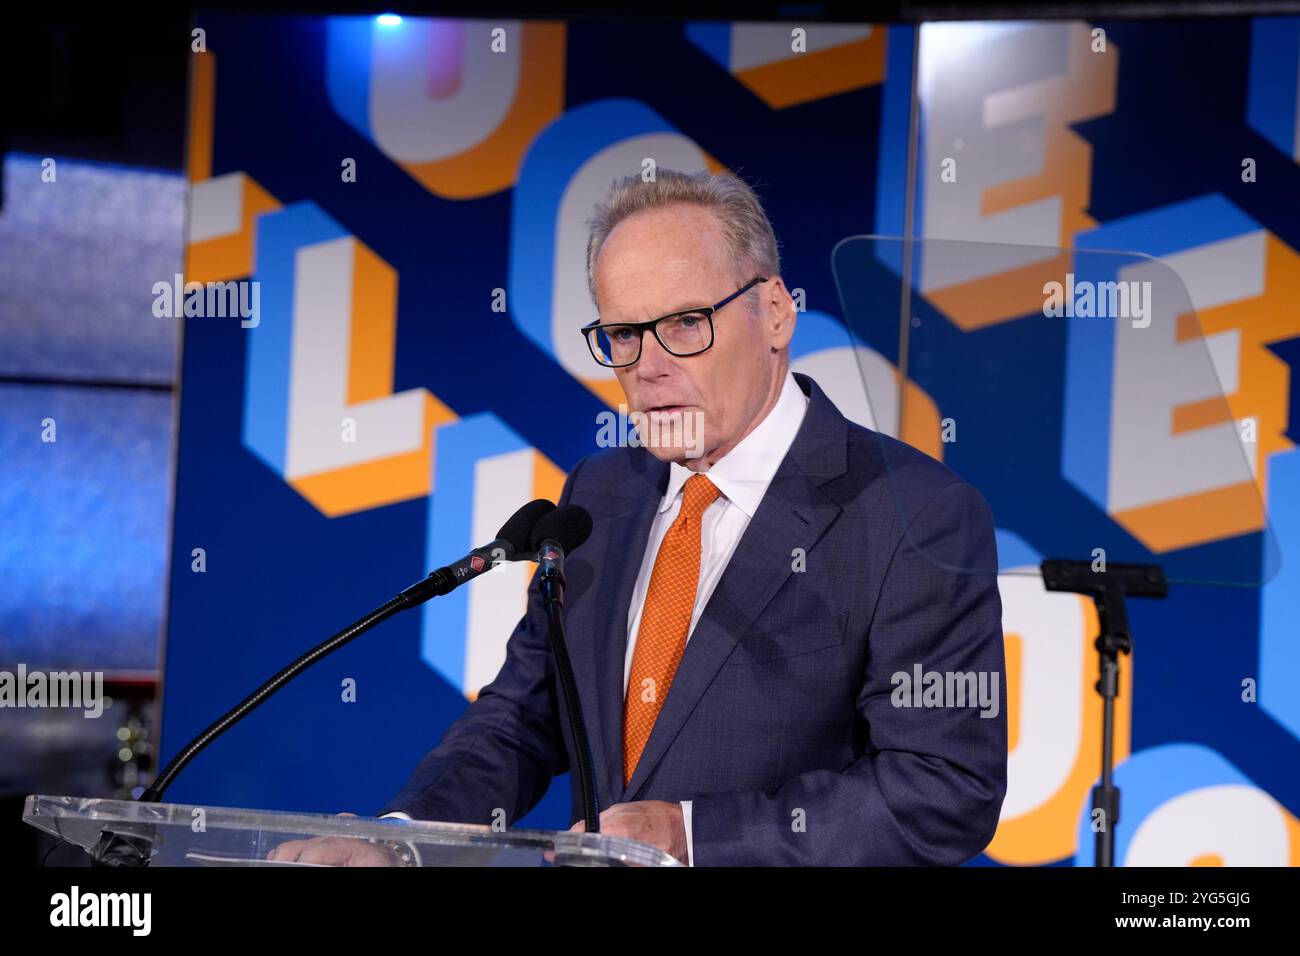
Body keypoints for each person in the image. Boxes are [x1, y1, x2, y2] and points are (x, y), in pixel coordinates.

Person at [271, 169, 1006, 866]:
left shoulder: (913, 515)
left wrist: (692, 836)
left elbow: (942, 790)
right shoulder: (601, 495)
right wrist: (399, 838)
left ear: (776, 312)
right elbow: (524, 719)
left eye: (686, 323)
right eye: (624, 335)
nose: (648, 365)